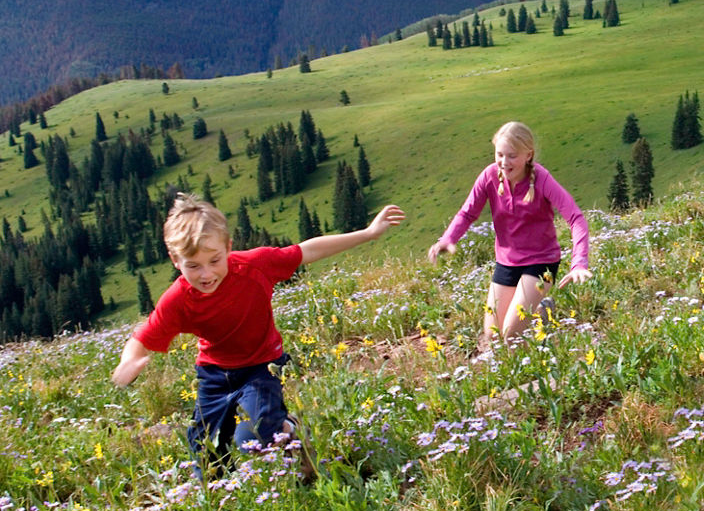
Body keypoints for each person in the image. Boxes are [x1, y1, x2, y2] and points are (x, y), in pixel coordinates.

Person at [112, 194, 405, 480]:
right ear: (175, 260)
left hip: (262, 366)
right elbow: (143, 337)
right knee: (206, 453)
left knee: (254, 435)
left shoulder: (255, 265)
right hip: (213, 375)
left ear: (228, 247)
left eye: (215, 260)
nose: (206, 274)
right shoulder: (178, 299)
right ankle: (220, 509)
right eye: (193, 265)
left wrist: (368, 233)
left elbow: (306, 251)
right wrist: (128, 362)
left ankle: (288, 428)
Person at [428, 121, 591, 345]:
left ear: (528, 155)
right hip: (506, 262)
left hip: (541, 262)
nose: (504, 163)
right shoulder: (489, 177)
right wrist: (448, 239)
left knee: (511, 335)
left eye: (512, 156)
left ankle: (540, 317)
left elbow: (575, 217)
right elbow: (467, 213)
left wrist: (579, 262)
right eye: (500, 154)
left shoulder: (542, 179)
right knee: (493, 336)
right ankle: (541, 311)